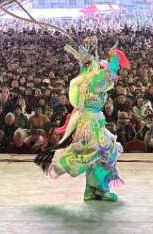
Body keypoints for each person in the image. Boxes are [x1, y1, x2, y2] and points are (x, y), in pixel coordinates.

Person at [36, 40, 130, 202]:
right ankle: (99, 188)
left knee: (95, 154)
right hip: (90, 123)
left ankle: (91, 190)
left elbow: (109, 78)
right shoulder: (95, 82)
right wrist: (114, 57)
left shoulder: (86, 81)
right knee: (101, 151)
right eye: (100, 66)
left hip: (91, 122)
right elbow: (111, 75)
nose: (101, 68)